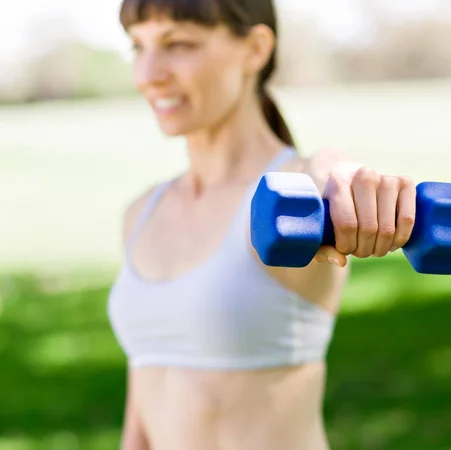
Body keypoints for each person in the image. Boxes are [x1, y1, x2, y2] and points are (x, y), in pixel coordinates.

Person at [107, 0, 417, 449]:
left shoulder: (295, 203)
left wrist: (345, 179)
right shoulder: (142, 212)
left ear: (255, 49)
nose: (148, 73)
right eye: (138, 46)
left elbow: (327, 172)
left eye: (177, 44)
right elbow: (142, 412)